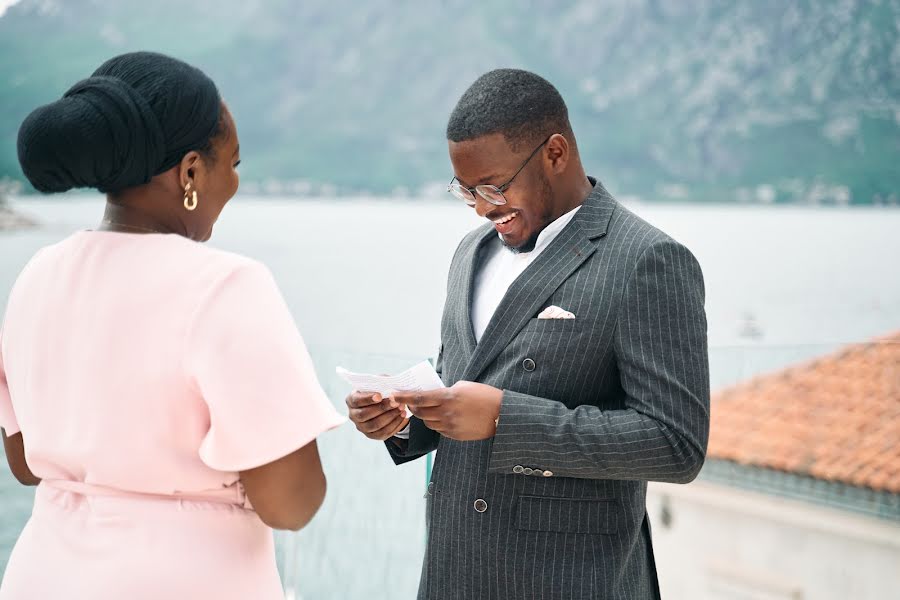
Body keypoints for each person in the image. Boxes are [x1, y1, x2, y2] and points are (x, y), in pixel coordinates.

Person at [346, 69, 710, 599]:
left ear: (555, 153)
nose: (481, 207)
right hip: (452, 576)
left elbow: (677, 444)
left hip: (570, 582)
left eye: (493, 186)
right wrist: (401, 417)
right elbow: (464, 378)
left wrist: (503, 417)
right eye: (465, 191)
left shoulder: (648, 260)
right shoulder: (470, 252)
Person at [0, 51, 344, 599]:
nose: (232, 183)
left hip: (43, 577)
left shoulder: (37, 275)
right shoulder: (226, 284)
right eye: (232, 164)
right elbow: (291, 501)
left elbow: (24, 463)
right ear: (190, 172)